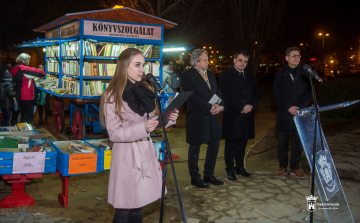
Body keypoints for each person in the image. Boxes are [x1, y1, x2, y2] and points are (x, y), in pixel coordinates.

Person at [99, 48, 179, 223]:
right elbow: (114, 133)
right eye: (137, 65)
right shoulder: (111, 96)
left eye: (143, 65)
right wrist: (143, 128)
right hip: (127, 157)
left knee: (138, 208)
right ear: (124, 67)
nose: (142, 70)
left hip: (145, 152)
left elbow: (151, 120)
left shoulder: (143, 90)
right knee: (123, 212)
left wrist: (167, 119)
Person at [181, 49, 224, 188]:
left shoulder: (211, 74)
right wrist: (208, 107)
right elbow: (191, 97)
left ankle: (209, 174)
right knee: (195, 148)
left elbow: (217, 91)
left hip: (212, 117)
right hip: (197, 117)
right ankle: (195, 177)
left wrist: (219, 106)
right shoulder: (187, 76)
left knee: (215, 144)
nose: (208, 62)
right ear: (196, 62)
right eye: (205, 60)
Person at [219, 51, 260, 181]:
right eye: (240, 60)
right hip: (233, 115)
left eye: (245, 61)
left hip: (247, 116)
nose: (243, 63)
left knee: (242, 143)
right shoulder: (225, 75)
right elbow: (227, 95)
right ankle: (230, 169)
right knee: (231, 145)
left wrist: (250, 106)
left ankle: (240, 167)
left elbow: (256, 94)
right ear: (234, 60)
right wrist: (242, 106)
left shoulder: (249, 76)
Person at [273, 47, 312, 178]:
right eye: (293, 55)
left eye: (298, 56)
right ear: (286, 58)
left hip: (300, 113)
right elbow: (276, 94)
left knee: (298, 143)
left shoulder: (305, 74)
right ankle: (282, 167)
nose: (296, 58)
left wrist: (299, 107)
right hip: (284, 113)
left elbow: (309, 93)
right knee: (282, 143)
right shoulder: (280, 75)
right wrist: (288, 107)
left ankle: (295, 167)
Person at [9, 53, 46, 124]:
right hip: (26, 96)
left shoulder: (15, 69)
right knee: (27, 117)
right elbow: (42, 73)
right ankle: (25, 133)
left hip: (19, 95)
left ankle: (22, 131)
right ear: (25, 60)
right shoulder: (24, 69)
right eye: (28, 60)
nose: (29, 61)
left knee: (23, 115)